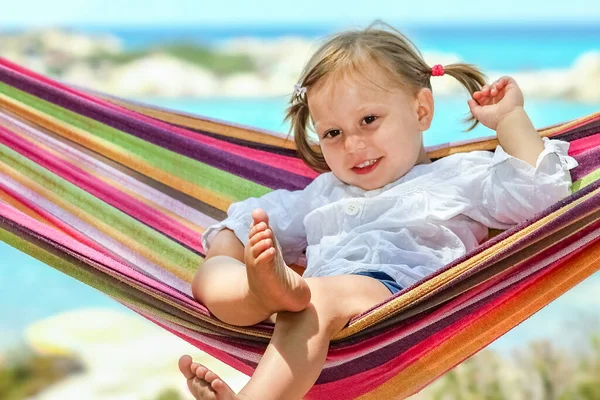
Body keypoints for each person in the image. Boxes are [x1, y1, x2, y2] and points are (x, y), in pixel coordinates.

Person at [177, 22, 578, 400]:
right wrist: (230, 249)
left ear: (421, 110)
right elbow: (248, 219)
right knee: (214, 277)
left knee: (311, 299)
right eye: (333, 133)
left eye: (368, 120)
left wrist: (509, 120)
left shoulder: (457, 178)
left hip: (397, 302)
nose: (352, 145)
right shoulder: (323, 193)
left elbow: (540, 195)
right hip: (310, 308)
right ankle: (258, 292)